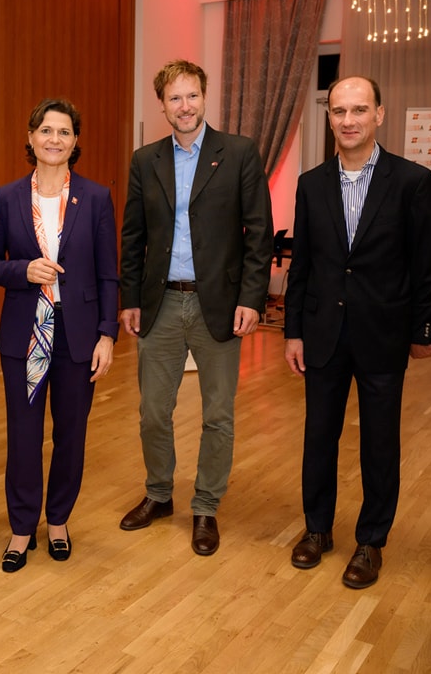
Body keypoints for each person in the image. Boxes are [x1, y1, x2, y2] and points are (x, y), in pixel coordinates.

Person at [284, 76, 431, 589]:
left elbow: (427, 264)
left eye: (359, 110)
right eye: (339, 111)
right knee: (318, 437)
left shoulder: (412, 181)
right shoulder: (311, 183)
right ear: (329, 117)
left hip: (383, 334)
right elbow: (302, 265)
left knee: (379, 443)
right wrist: (292, 332)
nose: (348, 120)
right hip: (323, 334)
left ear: (379, 114)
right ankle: (317, 530)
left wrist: (421, 328)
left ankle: (371, 540)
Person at [118, 59, 273, 556]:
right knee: (152, 413)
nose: (184, 106)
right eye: (175, 98)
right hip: (160, 303)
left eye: (192, 96)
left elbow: (259, 234)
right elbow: (133, 236)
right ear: (162, 105)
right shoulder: (145, 160)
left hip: (220, 305)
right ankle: (159, 494)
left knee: (218, 415)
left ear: (205, 97)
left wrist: (251, 298)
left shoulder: (239, 153)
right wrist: (129, 299)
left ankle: (206, 506)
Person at [0, 99, 119, 573]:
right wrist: (22, 270)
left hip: (78, 336)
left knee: (71, 434)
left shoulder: (96, 198)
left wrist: (107, 335)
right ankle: (22, 528)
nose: (54, 139)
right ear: (31, 137)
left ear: (75, 141)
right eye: (45, 130)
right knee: (23, 436)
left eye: (63, 132)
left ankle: (58, 521)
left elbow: (108, 274)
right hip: (25, 334)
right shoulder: (8, 197)